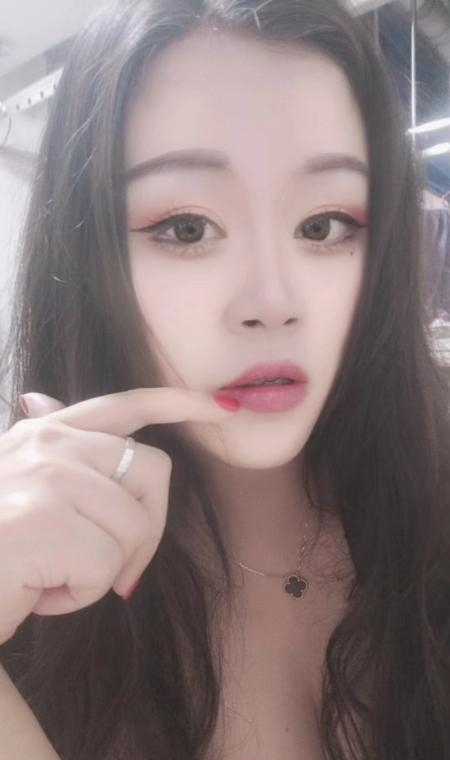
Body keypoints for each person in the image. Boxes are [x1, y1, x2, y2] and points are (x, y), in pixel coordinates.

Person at [0, 0, 449, 758]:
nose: (272, 303)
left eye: (324, 225)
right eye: (187, 228)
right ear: (88, 258)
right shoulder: (30, 576)